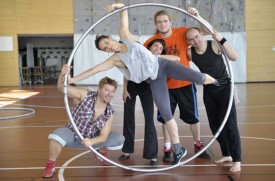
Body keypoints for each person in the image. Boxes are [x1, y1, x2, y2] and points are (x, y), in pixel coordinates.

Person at [69, 3, 220, 165]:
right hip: (154, 79)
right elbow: (93, 70)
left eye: (106, 42)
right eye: (104, 48)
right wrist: (72, 79)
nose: (107, 46)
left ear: (110, 38)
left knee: (198, 77)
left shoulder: (125, 36)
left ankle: (219, 82)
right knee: (166, 113)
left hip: (162, 65)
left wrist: (118, 5)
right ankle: (178, 149)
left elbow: (123, 13)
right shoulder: (114, 60)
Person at [143, 8, 211, 161]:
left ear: (170, 22)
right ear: (156, 24)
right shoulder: (150, 42)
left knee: (193, 117)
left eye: (165, 21)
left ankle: (198, 143)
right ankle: (168, 147)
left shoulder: (182, 32)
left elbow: (207, 31)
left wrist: (198, 15)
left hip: (185, 84)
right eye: (159, 22)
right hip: (164, 87)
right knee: (166, 118)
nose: (162, 24)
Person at [42, 65, 125, 178]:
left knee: (119, 139)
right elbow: (62, 88)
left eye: (112, 91)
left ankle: (98, 151)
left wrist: (92, 142)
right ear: (99, 90)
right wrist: (62, 74)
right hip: (73, 134)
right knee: (56, 136)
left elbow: (104, 136)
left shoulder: (109, 112)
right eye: (106, 90)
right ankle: (50, 164)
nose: (109, 94)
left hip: (90, 139)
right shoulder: (85, 95)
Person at [186, 27, 241, 172]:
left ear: (202, 34)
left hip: (225, 88)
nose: (195, 41)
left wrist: (221, 38)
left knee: (230, 125)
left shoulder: (215, 44)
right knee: (215, 125)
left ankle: (237, 160)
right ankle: (227, 154)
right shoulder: (190, 52)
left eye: (197, 36)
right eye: (191, 39)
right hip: (209, 90)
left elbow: (234, 57)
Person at [119, 68, 158, 166]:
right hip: (130, 87)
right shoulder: (131, 55)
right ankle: (126, 151)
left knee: (149, 120)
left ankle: (152, 154)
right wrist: (124, 89)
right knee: (128, 119)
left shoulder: (148, 54)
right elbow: (126, 72)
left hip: (147, 88)